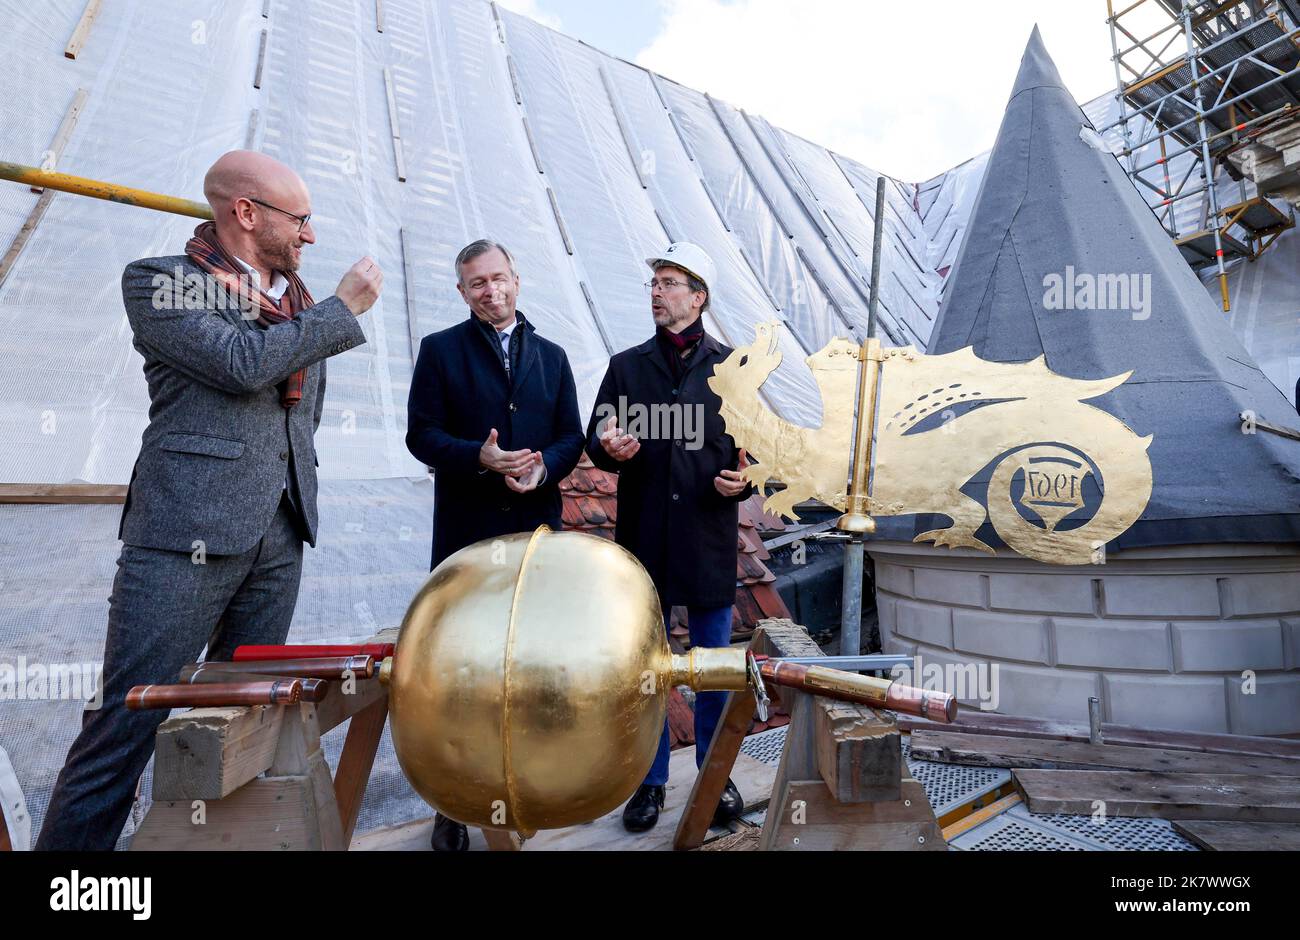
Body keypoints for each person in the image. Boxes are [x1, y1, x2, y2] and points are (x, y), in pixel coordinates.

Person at [35, 150, 382, 850]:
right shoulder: (162, 282)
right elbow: (240, 364)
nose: (310, 236)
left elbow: (297, 418)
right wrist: (343, 310)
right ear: (246, 213)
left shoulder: (296, 301)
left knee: (243, 723)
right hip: (184, 535)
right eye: (301, 219)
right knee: (125, 725)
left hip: (279, 535)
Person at [406, 238, 585, 850]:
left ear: (517, 279)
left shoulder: (553, 356)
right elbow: (420, 436)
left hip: (536, 537)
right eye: (477, 283)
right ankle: (452, 803)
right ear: (462, 292)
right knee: (461, 673)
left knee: (528, 668)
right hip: (468, 540)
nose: (492, 290)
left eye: (499, 278)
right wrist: (477, 459)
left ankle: (527, 786)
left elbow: (570, 435)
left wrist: (547, 469)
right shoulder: (439, 351)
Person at [585, 242, 752, 833]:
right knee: (647, 668)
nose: (657, 292)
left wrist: (746, 477)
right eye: (654, 282)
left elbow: (757, 449)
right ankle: (649, 781)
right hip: (646, 541)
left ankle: (715, 775)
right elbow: (597, 433)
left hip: (708, 538)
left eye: (670, 282)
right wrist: (609, 443)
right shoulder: (627, 367)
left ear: (698, 296)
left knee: (713, 668)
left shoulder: (733, 370)